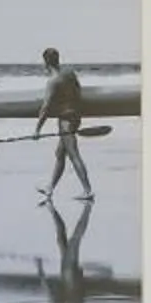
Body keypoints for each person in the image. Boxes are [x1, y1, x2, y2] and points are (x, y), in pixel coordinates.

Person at [31, 46, 93, 203]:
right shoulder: (70, 73)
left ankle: (87, 191)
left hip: (66, 121)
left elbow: (45, 108)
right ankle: (50, 188)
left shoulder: (53, 81)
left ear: (45, 63)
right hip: (75, 116)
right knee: (60, 154)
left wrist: (37, 130)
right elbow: (79, 91)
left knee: (73, 154)